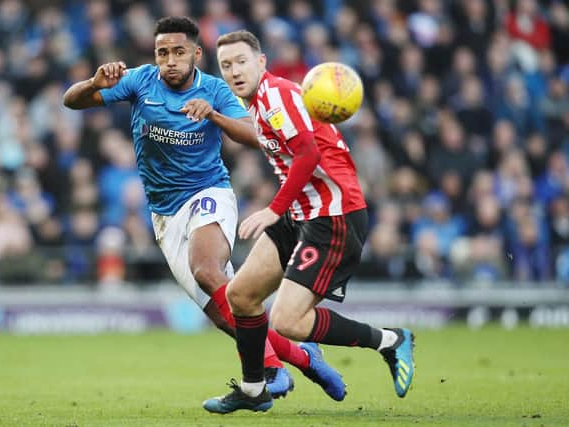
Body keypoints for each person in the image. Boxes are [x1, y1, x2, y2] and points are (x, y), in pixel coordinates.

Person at [63, 16, 344, 399]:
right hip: (164, 214)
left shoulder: (214, 89)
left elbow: (254, 133)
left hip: (208, 194)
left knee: (206, 270)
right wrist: (94, 84)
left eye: (179, 52)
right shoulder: (139, 80)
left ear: (196, 54)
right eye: (163, 52)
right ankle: (305, 359)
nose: (170, 60)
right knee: (225, 314)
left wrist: (212, 114)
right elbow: (72, 101)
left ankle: (269, 373)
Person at [203, 30, 415, 414]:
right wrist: (217, 117)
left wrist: (272, 208)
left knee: (288, 321)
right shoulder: (254, 102)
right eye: (226, 65)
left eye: (241, 61)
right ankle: (253, 390)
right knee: (241, 296)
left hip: (332, 215)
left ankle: (390, 340)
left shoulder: (277, 95)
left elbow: (307, 154)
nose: (234, 71)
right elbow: (270, 140)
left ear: (261, 62)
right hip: (301, 212)